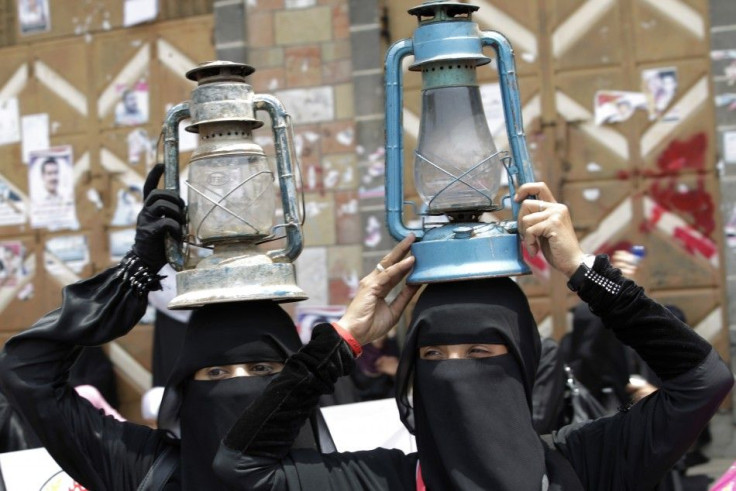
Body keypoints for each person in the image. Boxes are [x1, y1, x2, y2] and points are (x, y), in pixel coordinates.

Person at [209, 182, 734, 490]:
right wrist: (344, 339)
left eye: (480, 352)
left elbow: (704, 380)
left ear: (522, 360)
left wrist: (583, 271)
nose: (455, 370)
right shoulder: (387, 479)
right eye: (434, 355)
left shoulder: (581, 463)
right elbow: (241, 467)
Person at [0, 164, 335, 490]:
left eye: (261, 368)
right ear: (185, 387)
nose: (239, 386)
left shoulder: (342, 476)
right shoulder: (141, 469)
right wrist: (136, 273)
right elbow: (25, 370)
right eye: (216, 374)